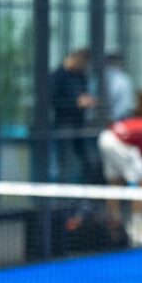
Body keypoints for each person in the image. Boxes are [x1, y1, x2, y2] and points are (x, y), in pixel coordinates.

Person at [97, 100, 142, 246]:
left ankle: (114, 231)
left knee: (115, 183)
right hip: (118, 142)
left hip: (104, 138)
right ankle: (137, 231)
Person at [51, 48, 96, 183]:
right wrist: (75, 103)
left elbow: (84, 93)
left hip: (79, 123)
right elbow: (52, 100)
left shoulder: (81, 75)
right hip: (64, 123)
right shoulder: (58, 76)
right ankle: (62, 190)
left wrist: (87, 100)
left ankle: (88, 189)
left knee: (88, 158)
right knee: (64, 159)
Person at [104, 53, 134, 122]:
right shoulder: (124, 79)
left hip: (111, 118)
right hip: (115, 118)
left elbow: (124, 102)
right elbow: (125, 103)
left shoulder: (123, 79)